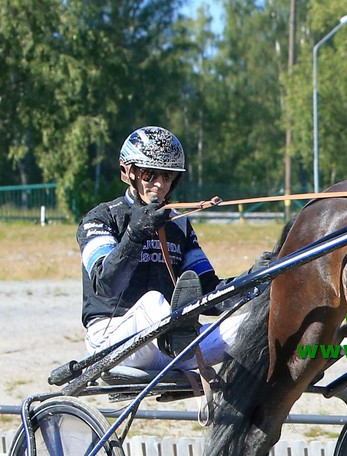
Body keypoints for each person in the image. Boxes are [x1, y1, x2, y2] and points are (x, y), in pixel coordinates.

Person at [77, 126, 242, 372]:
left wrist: (257, 280)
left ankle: (306, 357)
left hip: (169, 347)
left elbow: (208, 291)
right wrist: (134, 235)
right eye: (149, 174)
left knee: (254, 323)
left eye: (167, 176)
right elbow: (106, 287)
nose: (159, 184)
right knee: (154, 301)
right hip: (113, 342)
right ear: (129, 172)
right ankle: (178, 338)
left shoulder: (179, 224)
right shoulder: (100, 219)